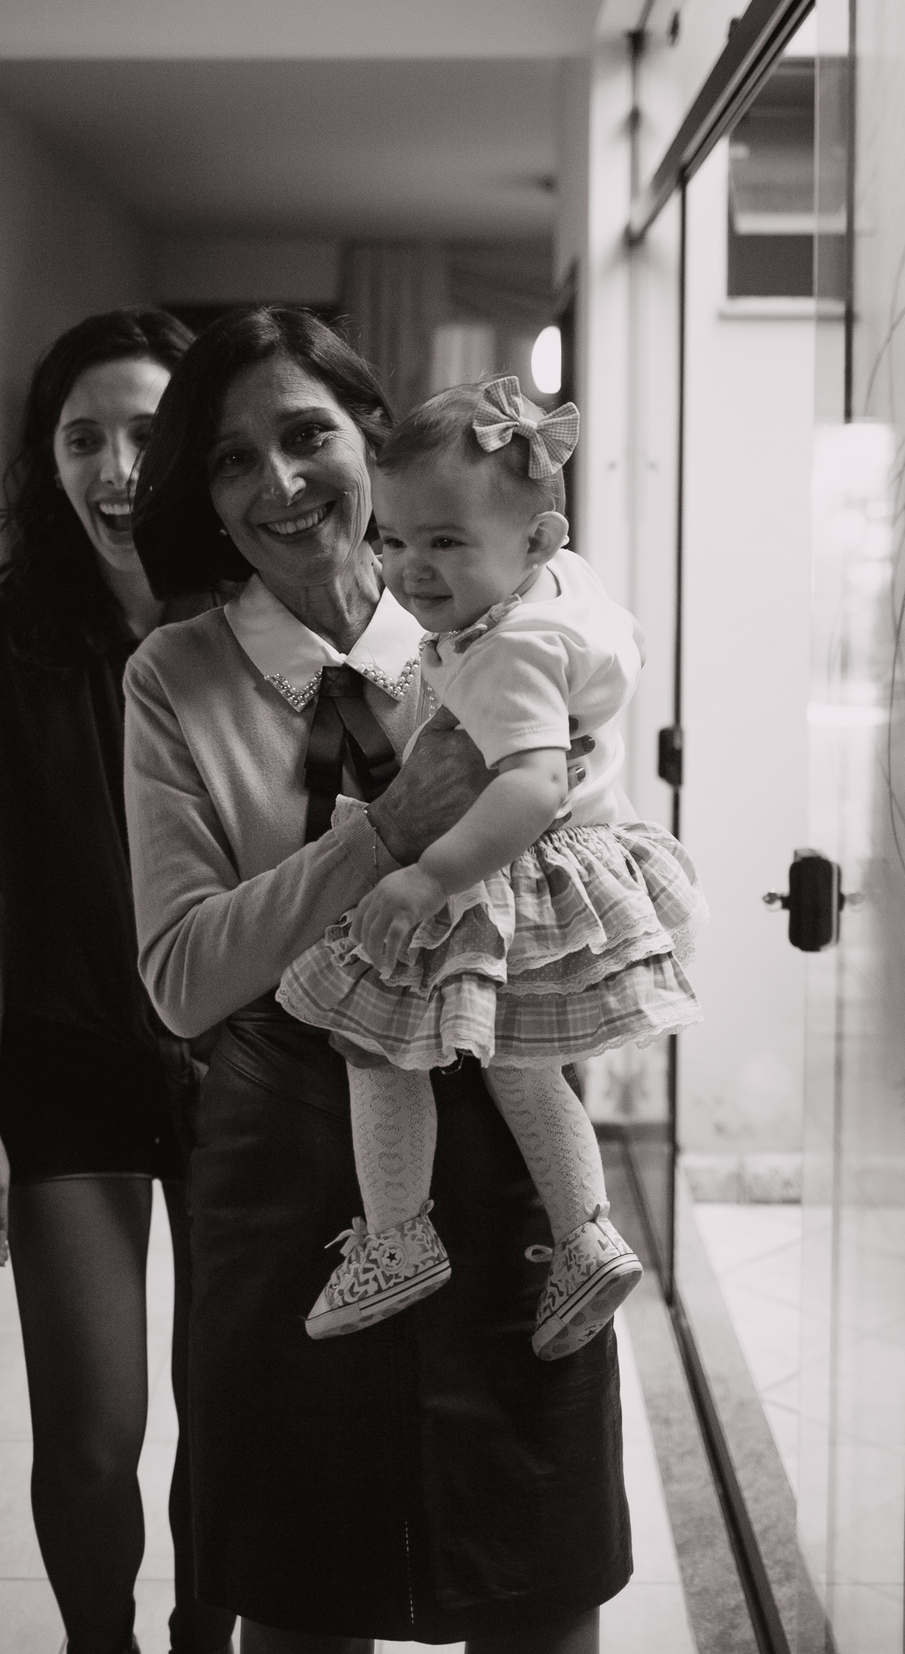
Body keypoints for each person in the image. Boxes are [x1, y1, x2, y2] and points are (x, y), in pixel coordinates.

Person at [124, 307, 632, 1654]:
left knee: (538, 1591)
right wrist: (393, 831)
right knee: (305, 1603)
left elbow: (580, 866)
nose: (280, 484)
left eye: (307, 436)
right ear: (205, 496)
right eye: (233, 461)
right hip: (289, 1176)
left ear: (369, 436)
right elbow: (183, 977)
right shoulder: (173, 678)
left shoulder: (511, 630)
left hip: (510, 1158)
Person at [278, 375, 704, 1356]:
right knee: (523, 1061)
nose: (409, 569)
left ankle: (397, 1237)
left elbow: (532, 787)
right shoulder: (564, 584)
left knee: (373, 1040)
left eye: (444, 542)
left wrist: (426, 877)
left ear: (538, 540)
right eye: (391, 538)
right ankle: (587, 1234)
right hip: (588, 851)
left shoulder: (510, 651)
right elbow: (622, 649)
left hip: (511, 859)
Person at [0, 309, 236, 1654]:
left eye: (147, 434)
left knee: (230, 1425)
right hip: (68, 1068)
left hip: (248, 1064)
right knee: (93, 1438)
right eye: (81, 439)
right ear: (46, 460)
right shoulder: (5, 651)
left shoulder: (261, 631)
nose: (116, 469)